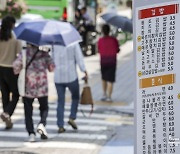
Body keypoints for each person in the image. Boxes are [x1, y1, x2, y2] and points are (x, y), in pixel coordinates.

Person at [13, 43, 55, 142]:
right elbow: (52, 67)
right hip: (42, 85)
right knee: (44, 107)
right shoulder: (44, 54)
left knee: (28, 110)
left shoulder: (24, 54)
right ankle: (42, 123)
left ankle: (31, 133)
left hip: (29, 85)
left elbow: (15, 66)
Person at [53, 43, 87, 133]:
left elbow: (51, 59)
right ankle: (72, 117)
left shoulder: (54, 43)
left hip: (58, 77)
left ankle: (60, 125)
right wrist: (84, 70)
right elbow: (79, 58)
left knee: (60, 101)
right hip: (71, 76)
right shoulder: (73, 43)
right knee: (75, 97)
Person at [0, 15, 22, 129]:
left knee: (4, 94)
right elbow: (19, 53)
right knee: (16, 94)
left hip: (0, 68)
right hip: (10, 69)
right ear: (12, 24)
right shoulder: (14, 37)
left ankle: (7, 117)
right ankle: (7, 113)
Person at [98, 24, 120, 102]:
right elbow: (118, 50)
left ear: (102, 31)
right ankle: (109, 96)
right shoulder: (114, 40)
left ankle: (104, 94)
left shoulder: (100, 40)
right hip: (112, 61)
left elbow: (99, 50)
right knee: (110, 80)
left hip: (103, 61)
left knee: (104, 78)